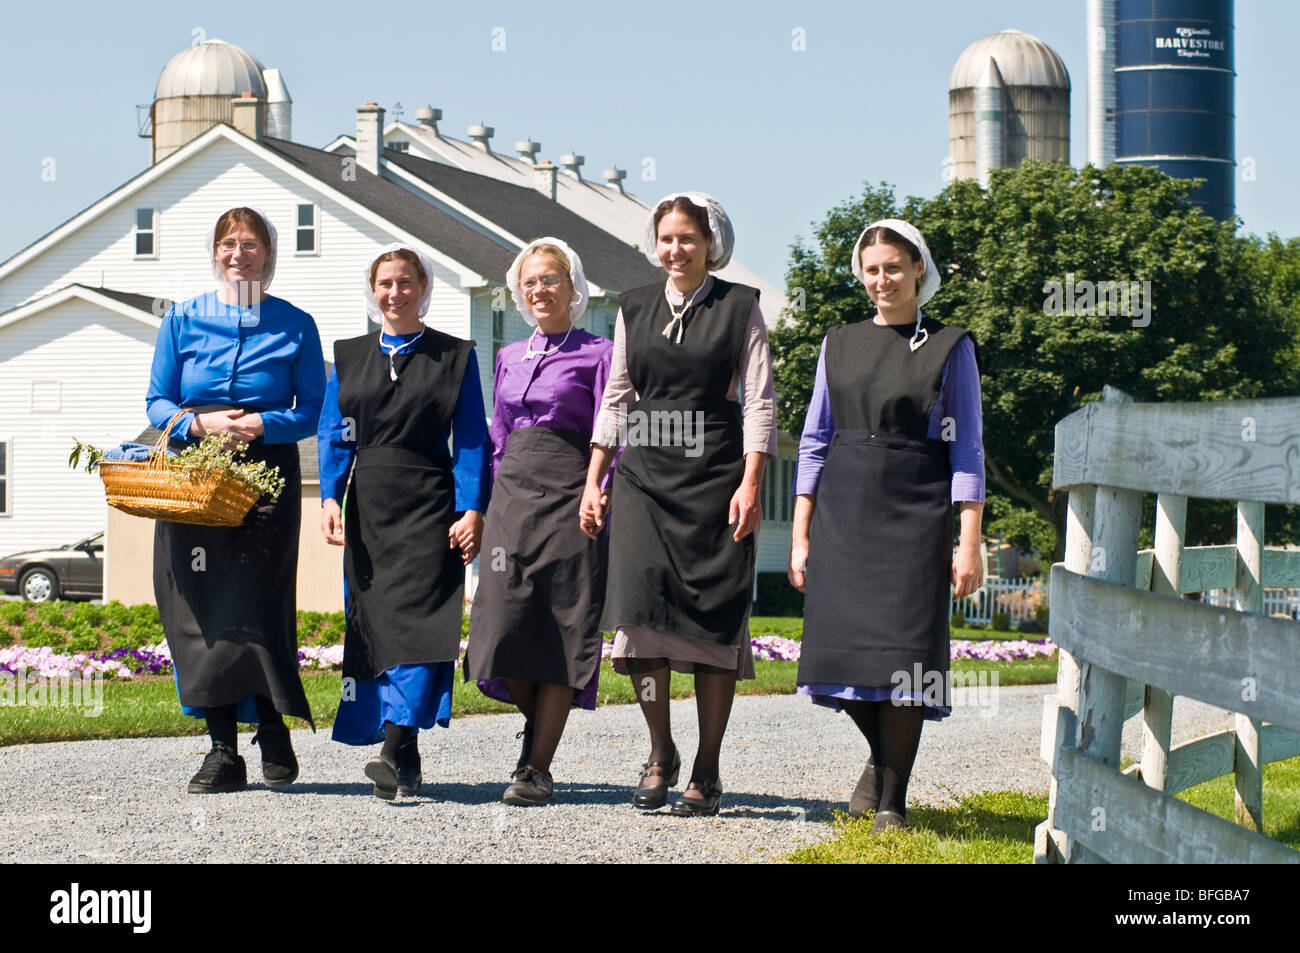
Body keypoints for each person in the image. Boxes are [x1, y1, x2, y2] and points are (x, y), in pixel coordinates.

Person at [581, 192, 776, 817]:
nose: (676, 249)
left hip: (716, 477)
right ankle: (660, 750)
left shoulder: (740, 306)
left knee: (712, 622)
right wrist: (594, 479)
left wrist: (751, 484)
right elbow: (615, 399)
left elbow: (760, 402)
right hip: (643, 477)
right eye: (666, 238)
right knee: (641, 622)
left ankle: (708, 766)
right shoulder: (632, 307)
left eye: (687, 239)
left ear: (710, 243)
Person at [788, 219, 985, 832]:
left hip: (915, 513)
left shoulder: (951, 346)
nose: (882, 280)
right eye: (871, 269)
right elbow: (814, 442)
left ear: (918, 269)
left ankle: (892, 800)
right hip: (843, 513)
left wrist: (969, 540)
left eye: (893, 268)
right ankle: (880, 763)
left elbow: (969, 449)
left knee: (906, 659)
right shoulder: (837, 343)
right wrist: (800, 532)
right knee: (841, 652)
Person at [147, 206, 325, 794]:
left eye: (250, 245)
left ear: (269, 255)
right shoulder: (182, 319)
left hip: (264, 477)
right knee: (199, 607)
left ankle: (272, 728)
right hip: (194, 473)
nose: (238, 254)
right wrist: (197, 427)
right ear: (214, 251)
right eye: (228, 243)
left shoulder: (296, 325)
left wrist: (258, 426)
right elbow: (157, 403)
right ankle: (222, 751)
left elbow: (310, 410)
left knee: (256, 600)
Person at [318, 243, 489, 800]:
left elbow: (470, 440)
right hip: (369, 510)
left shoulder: (455, 356)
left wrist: (472, 509)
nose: (395, 292)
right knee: (376, 627)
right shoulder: (348, 355)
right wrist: (328, 497)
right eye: (385, 283)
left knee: (420, 627)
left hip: (430, 508)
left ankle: (391, 750)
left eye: (406, 282)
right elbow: (333, 433)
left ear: (424, 287)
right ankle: (406, 749)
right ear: (374, 291)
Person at [465, 237, 613, 807]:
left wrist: (599, 491)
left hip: (573, 495)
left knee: (562, 625)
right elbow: (497, 436)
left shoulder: (601, 353)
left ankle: (536, 767)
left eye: (550, 279)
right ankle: (541, 728)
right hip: (511, 498)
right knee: (499, 628)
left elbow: (613, 433)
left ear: (574, 287)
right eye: (530, 281)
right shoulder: (508, 355)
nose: (539, 289)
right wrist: (481, 506)